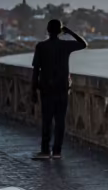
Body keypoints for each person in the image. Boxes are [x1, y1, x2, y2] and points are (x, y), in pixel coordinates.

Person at [30, 19, 86, 159]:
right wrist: (70, 32)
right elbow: (83, 44)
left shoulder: (41, 47)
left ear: (47, 30)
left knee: (47, 120)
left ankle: (45, 150)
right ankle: (57, 151)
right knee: (60, 121)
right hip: (62, 87)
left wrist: (33, 90)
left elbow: (36, 70)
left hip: (46, 87)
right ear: (60, 31)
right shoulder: (65, 46)